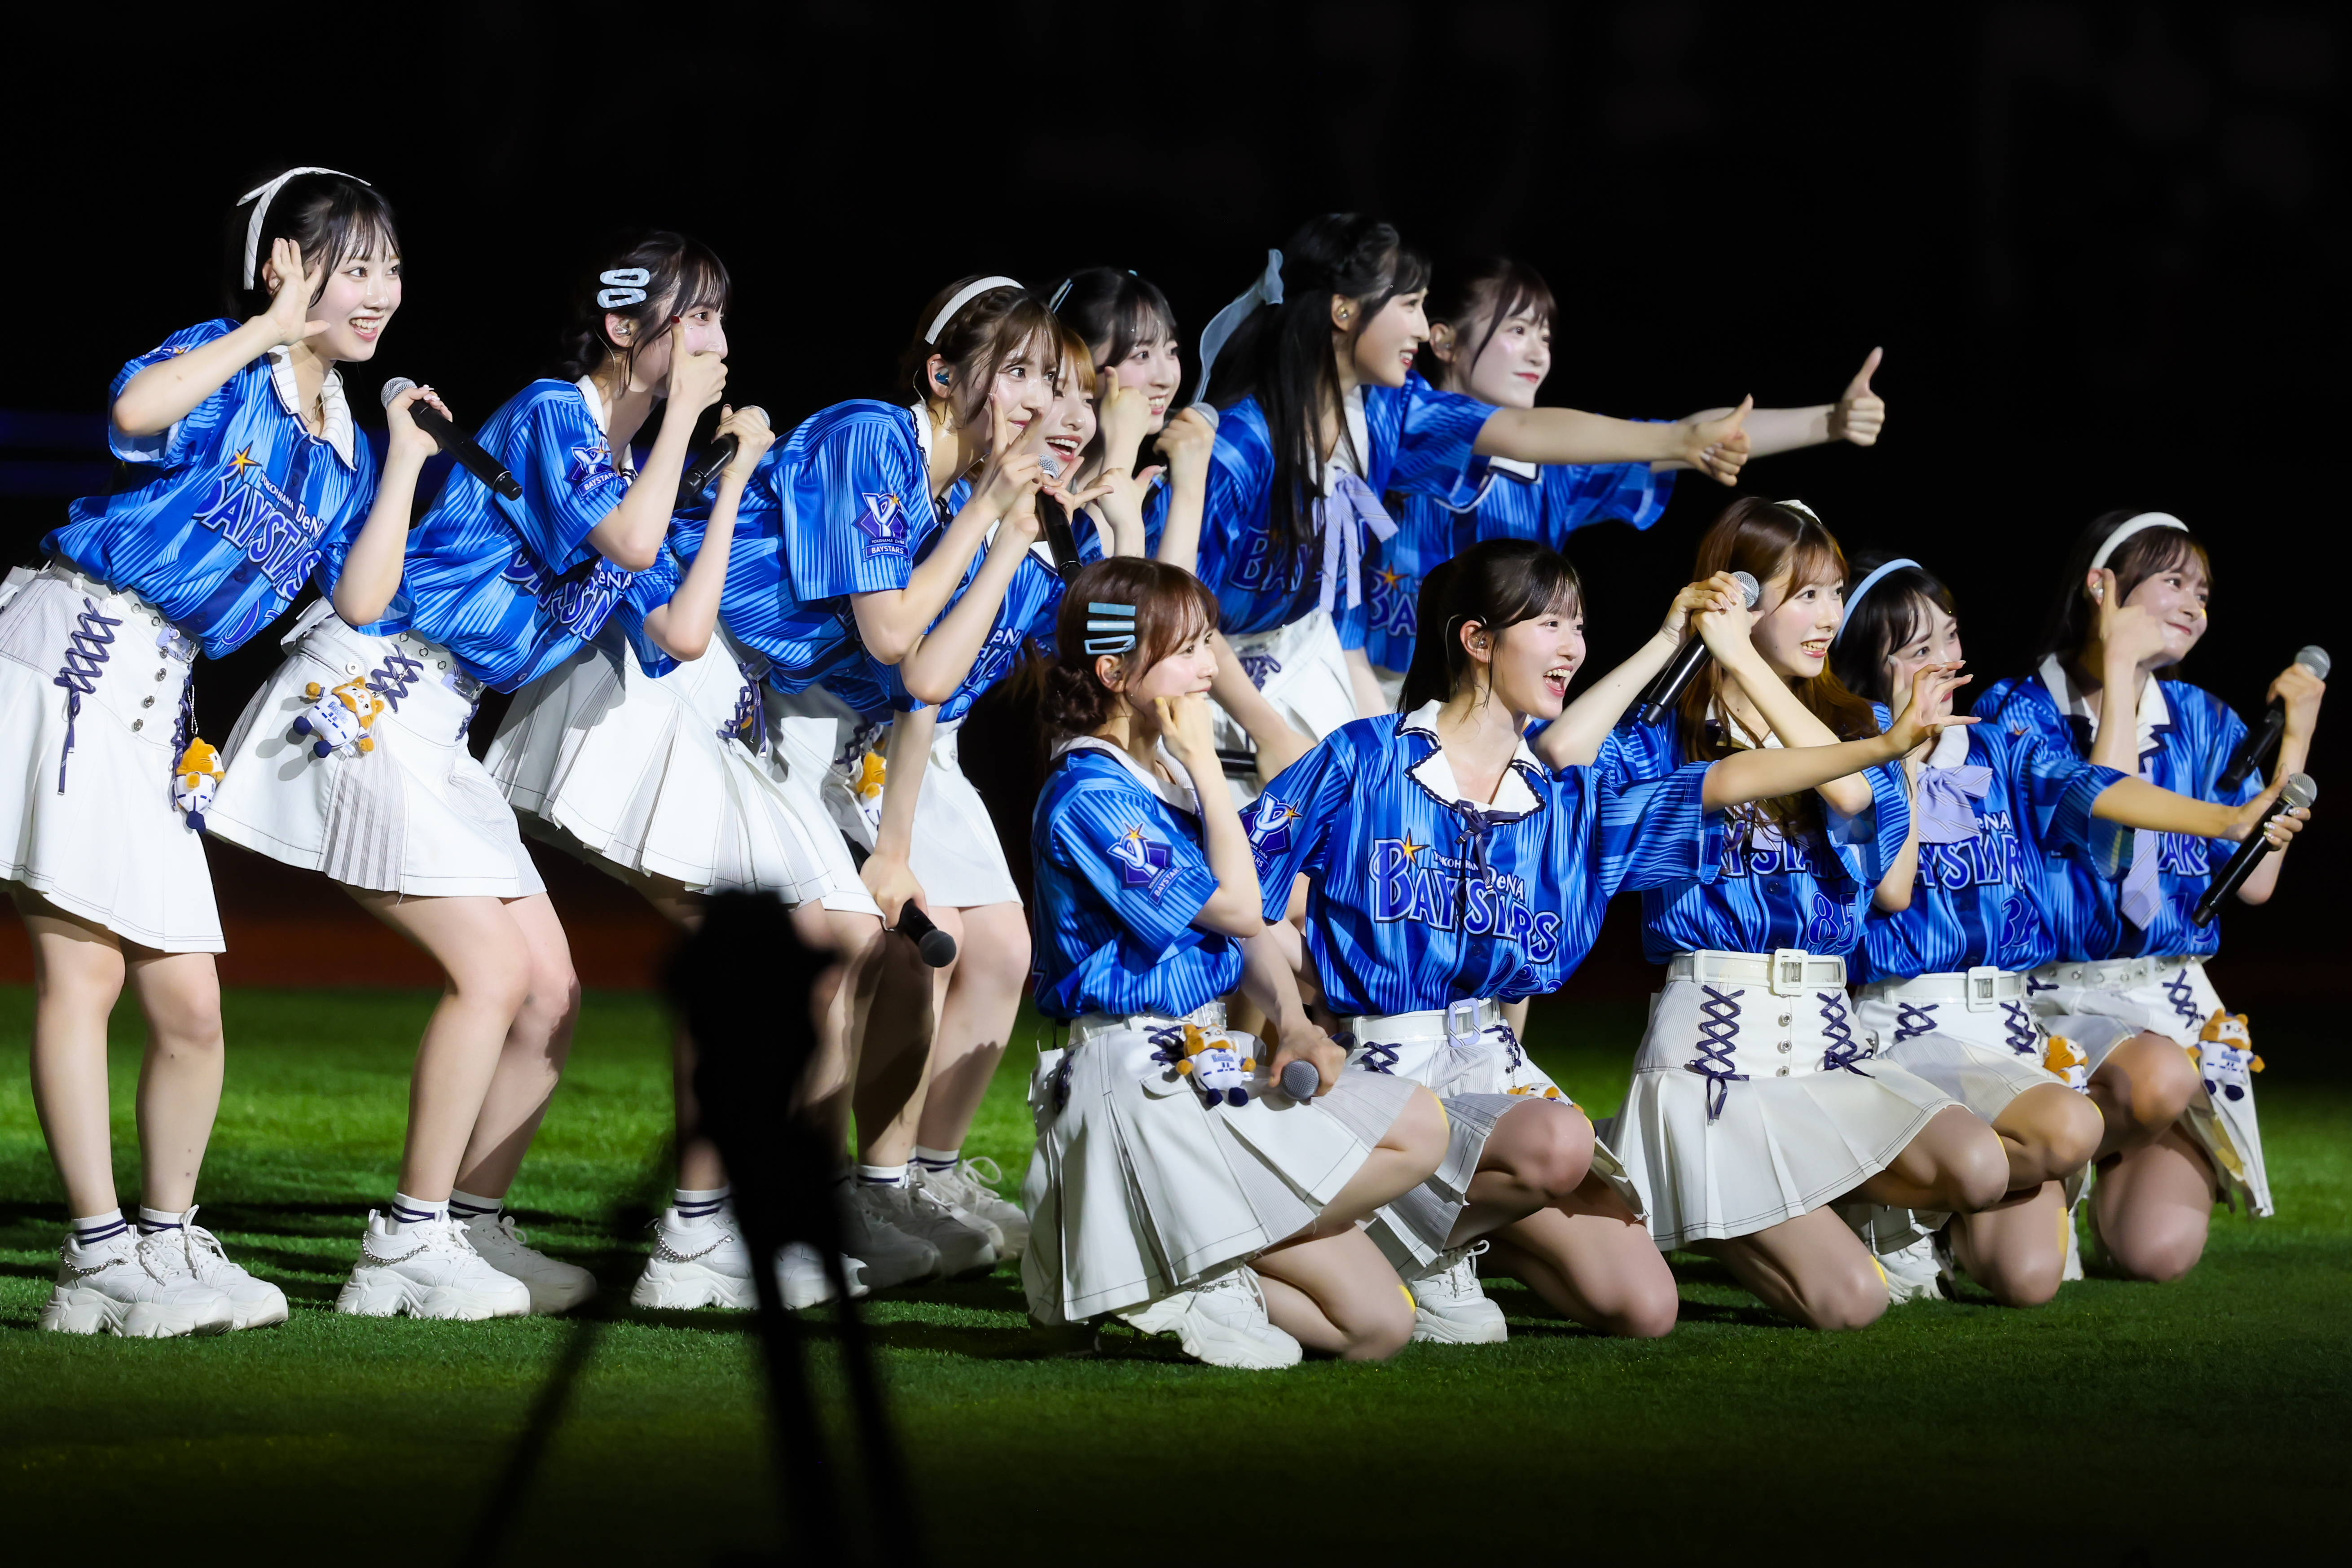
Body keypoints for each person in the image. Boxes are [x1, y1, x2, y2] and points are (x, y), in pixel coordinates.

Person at [1240, 536, 1969, 1340]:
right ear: (1476, 641)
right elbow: (1241, 892)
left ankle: (1448, 1231)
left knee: (1645, 1306)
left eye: (1578, 625)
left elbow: (1719, 782)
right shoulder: (1361, 757)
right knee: (1558, 1139)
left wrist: (1879, 748)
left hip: (1484, 1066)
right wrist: (1291, 1017)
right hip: (1382, 1067)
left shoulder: (1557, 799)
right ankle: (1405, 1240)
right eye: (1549, 623)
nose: (1572, 647)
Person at [204, 231, 735, 1319]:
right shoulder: (551, 414)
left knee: (549, 992)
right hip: (370, 693)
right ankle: (404, 1242)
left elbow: (680, 627)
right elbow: (629, 550)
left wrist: (733, 476)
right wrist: (683, 420)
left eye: (720, 319)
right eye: (691, 317)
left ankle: (473, 1229)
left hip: (442, 727)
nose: (712, 343)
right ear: (625, 326)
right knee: (493, 978)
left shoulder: (639, 469)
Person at [4, 168, 433, 1335]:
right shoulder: (231, 360)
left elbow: (359, 597)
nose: (379, 291)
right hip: (77, 649)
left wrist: (399, 457)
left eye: (389, 267)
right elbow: (133, 415)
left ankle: (161, 1237)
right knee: (85, 971)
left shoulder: (342, 445)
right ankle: (97, 1257)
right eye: (352, 265)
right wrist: (260, 327)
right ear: (283, 268)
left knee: (191, 1005)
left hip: (158, 702)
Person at [1832, 552, 2301, 1304]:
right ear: (1870, 663)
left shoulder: (1996, 745)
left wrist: (2223, 819)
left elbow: (2092, 789)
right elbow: (1889, 894)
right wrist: (1901, 755)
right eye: (1917, 650)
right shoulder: (1847, 761)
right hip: (1902, 1026)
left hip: (2004, 1030)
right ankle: (1864, 1196)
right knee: (2017, 1230)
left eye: (1949, 637)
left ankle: (1941, 1199)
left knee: (2027, 1279)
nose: (1946, 661)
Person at [1599, 497, 2014, 1330]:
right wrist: (1688, 651)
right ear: (1739, 600)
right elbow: (1595, 819)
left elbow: (1861, 810)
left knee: (1977, 1166)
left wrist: (1748, 669)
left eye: (1834, 593)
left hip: (1825, 1048)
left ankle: (1727, 1188)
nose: (1830, 617)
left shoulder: (1851, 724)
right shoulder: (1663, 733)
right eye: (1805, 596)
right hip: (1712, 1059)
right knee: (1849, 1302)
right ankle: (1666, 1175)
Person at [1023, 556, 1448, 1367]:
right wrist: (1212, 766)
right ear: (1114, 671)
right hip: (1135, 1082)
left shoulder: (1160, 775)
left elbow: (1248, 914)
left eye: (1208, 641)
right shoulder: (1091, 792)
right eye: (1186, 649)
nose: (1210, 666)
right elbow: (1236, 907)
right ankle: (1164, 1260)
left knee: (1379, 1323)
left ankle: (1177, 1257)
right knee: (1362, 1329)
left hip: (1201, 1061)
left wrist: (1291, 1020)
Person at [1168, 215, 1753, 789]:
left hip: (1304, 662)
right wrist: (1268, 729)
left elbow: (1525, 433)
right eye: (1409, 306)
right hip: (1199, 670)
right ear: (1342, 311)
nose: (1423, 330)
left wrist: (1677, 440)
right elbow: (1168, 607)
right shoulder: (1239, 447)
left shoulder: (1386, 415)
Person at [1976, 511, 2322, 1281]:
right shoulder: (2016, 709)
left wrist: (2294, 736)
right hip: (2047, 1003)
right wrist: (2121, 664)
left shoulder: (2201, 719)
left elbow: (2255, 883)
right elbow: (2110, 833)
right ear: (2099, 586)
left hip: (2165, 1002)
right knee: (2154, 1080)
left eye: (2201, 589)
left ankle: (2099, 1161)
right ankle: (2028, 1158)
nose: (2194, 603)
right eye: (2170, 580)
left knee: (2153, 1255)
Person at [1367, 255, 1886, 689]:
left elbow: (1689, 433)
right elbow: (1528, 429)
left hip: (1490, 703)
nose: (1537, 353)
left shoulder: (1555, 471)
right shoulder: (1405, 416)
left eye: (1545, 337)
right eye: (1517, 329)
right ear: (1442, 341)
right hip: (1374, 682)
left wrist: (1830, 421)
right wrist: (1681, 440)